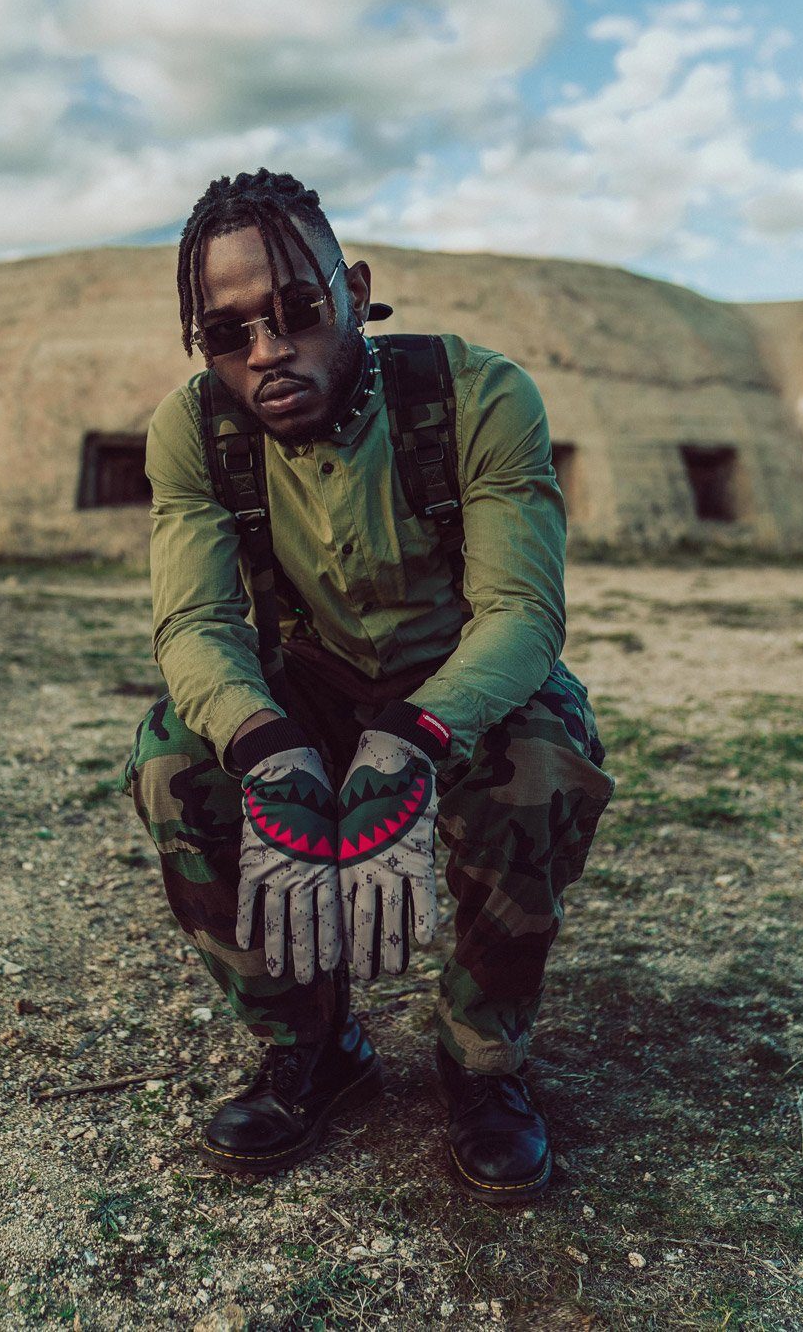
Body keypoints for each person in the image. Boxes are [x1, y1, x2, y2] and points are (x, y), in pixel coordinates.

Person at [119, 168, 614, 1204]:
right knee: (174, 761)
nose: (267, 351)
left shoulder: (478, 396)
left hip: (461, 682)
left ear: (354, 291)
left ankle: (482, 1062)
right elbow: (197, 625)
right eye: (227, 332)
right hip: (308, 685)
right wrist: (263, 744)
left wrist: (417, 736)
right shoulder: (193, 430)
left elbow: (522, 614)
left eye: (297, 310)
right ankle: (313, 1044)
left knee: (539, 763)